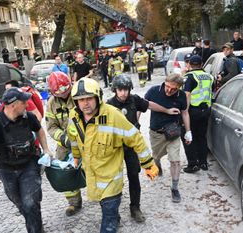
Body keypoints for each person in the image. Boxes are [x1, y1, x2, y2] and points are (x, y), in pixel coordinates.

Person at [67, 78, 159, 232]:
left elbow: (135, 138)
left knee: (108, 218)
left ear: (97, 97)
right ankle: (114, 216)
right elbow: (73, 138)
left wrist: (148, 164)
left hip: (111, 179)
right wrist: (76, 156)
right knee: (105, 207)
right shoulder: (74, 117)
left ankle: (123, 213)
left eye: (89, 98)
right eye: (80, 100)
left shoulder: (113, 116)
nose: (85, 103)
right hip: (93, 176)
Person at [0, 87, 53, 233]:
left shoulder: (28, 117)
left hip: (29, 166)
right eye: (24, 102)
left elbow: (40, 130)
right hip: (7, 171)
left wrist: (46, 149)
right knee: (22, 205)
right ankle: (36, 224)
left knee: (30, 203)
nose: (27, 104)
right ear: (13, 105)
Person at [106, 74, 180, 222]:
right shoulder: (108, 105)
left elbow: (149, 104)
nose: (123, 93)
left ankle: (135, 208)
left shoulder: (134, 100)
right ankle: (113, 212)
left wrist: (166, 110)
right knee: (114, 180)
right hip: (115, 148)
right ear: (115, 90)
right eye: (120, 89)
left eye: (126, 89)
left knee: (134, 177)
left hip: (132, 146)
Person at [144, 74, 192, 203]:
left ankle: (175, 188)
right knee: (156, 156)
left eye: (174, 89)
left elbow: (185, 113)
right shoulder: (153, 91)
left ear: (179, 88)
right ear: (164, 82)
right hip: (156, 133)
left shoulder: (181, 96)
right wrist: (166, 110)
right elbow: (145, 105)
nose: (169, 90)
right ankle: (157, 164)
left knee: (175, 161)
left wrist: (188, 131)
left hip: (173, 133)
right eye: (168, 86)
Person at [45, 71, 83, 216]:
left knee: (93, 166)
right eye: (61, 93)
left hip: (85, 140)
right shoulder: (51, 103)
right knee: (64, 171)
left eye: (66, 91)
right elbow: (51, 127)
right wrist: (63, 139)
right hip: (64, 144)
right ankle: (74, 202)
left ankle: (104, 197)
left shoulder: (78, 95)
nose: (64, 94)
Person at [181, 55, 213, 173]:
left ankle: (193, 164)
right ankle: (203, 162)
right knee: (201, 136)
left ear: (189, 64)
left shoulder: (190, 76)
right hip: (206, 110)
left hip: (192, 111)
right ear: (201, 63)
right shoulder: (209, 76)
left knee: (188, 136)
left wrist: (185, 111)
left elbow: (187, 94)